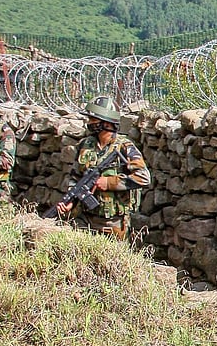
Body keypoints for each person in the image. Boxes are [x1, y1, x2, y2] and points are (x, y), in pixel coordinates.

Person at [55, 95, 151, 240]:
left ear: (106, 122)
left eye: (93, 120)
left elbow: (143, 177)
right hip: (84, 219)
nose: (89, 123)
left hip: (113, 222)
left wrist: (108, 183)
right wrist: (71, 202)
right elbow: (75, 177)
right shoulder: (85, 145)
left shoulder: (124, 147)